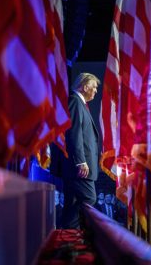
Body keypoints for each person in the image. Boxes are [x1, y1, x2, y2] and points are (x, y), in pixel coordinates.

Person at [61, 72, 100, 229]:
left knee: (72, 203)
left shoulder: (80, 104)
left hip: (78, 166)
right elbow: (74, 133)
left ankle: (68, 237)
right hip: (80, 167)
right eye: (94, 87)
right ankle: (70, 232)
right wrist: (80, 161)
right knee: (89, 198)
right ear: (85, 87)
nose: (96, 90)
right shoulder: (75, 102)